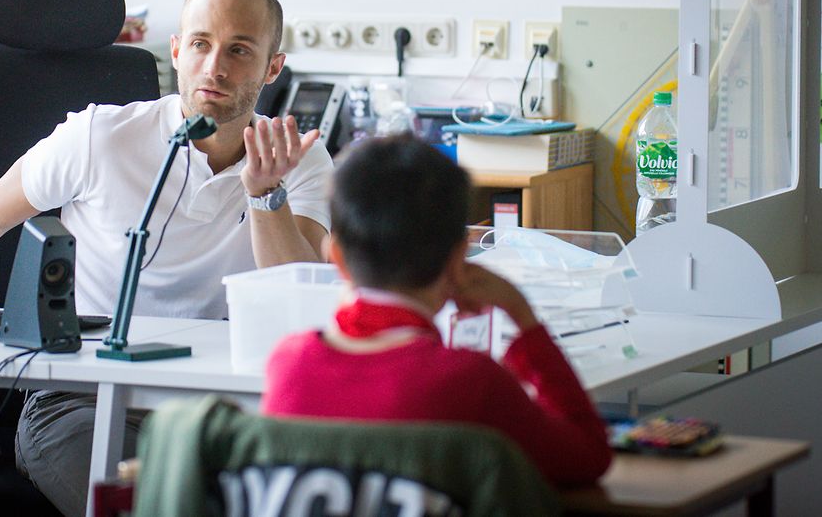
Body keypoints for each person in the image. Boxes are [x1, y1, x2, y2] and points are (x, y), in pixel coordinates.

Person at [0, 0, 334, 516]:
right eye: (200, 43)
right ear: (176, 51)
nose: (214, 66)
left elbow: (299, 302)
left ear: (273, 67)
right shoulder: (98, 137)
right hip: (87, 398)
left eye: (239, 50)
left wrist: (265, 195)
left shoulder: (297, 159)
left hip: (226, 405)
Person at [261, 136, 611, 488]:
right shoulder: (471, 381)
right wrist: (523, 318)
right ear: (459, 258)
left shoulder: (289, 364)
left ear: (336, 257)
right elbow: (589, 454)